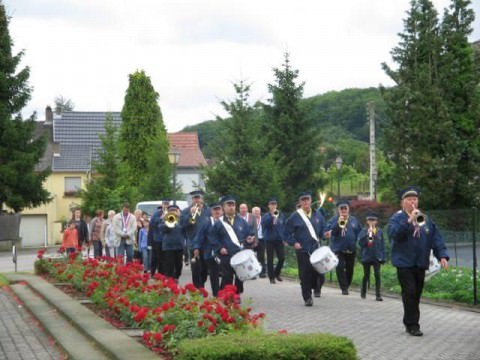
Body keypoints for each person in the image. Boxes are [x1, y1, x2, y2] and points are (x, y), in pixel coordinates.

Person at [388, 186, 449, 336]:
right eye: (409, 200)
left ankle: (409, 321)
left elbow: (435, 237)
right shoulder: (397, 218)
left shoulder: (425, 219)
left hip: (420, 262)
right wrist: (409, 220)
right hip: (404, 263)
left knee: (416, 294)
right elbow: (394, 235)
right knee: (409, 292)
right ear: (403, 203)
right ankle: (413, 325)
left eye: (414, 199)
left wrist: (442, 255)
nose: (412, 202)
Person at [286, 191, 326, 306]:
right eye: (303, 200)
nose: (305, 202)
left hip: (316, 249)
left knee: (319, 273)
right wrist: (294, 243)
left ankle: (315, 288)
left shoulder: (318, 215)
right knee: (305, 274)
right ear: (300, 202)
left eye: (307, 199)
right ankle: (307, 298)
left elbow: (322, 231)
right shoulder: (295, 216)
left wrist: (325, 234)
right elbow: (286, 233)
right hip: (303, 250)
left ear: (310, 200)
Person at [212, 195, 255, 295]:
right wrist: (220, 247)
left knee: (240, 276)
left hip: (239, 254)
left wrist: (250, 240)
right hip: (226, 254)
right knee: (227, 276)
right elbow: (213, 238)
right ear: (224, 207)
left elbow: (249, 235)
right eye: (229, 205)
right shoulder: (219, 223)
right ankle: (227, 294)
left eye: (233, 205)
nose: (231, 207)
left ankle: (236, 294)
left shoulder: (242, 222)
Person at [325, 200, 361, 295]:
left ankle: (347, 284)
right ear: (338, 209)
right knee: (340, 267)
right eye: (341, 208)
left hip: (350, 248)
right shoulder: (333, 219)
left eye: (345, 208)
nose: (344, 210)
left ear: (349, 209)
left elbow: (359, 232)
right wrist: (340, 221)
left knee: (350, 269)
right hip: (338, 248)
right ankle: (344, 287)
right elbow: (331, 232)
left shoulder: (354, 220)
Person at [180, 190, 210, 288]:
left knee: (205, 267)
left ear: (202, 199)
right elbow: (183, 224)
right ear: (192, 200)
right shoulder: (185, 211)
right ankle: (198, 287)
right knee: (196, 267)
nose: (197, 200)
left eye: (198, 198)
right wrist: (191, 214)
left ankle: (202, 282)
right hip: (193, 242)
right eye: (194, 198)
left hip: (206, 243)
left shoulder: (208, 210)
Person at [193, 202, 223, 296]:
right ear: (211, 211)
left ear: (222, 211)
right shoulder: (206, 223)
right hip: (209, 252)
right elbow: (199, 236)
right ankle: (203, 289)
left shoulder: (225, 223)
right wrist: (196, 247)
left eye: (218, 209)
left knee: (223, 274)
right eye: (215, 210)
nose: (217, 211)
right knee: (207, 272)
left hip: (223, 253)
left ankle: (218, 293)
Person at [358, 211, 385, 301]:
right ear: (367, 221)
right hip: (367, 256)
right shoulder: (363, 231)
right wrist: (367, 234)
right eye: (370, 220)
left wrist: (383, 257)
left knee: (377, 275)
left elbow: (382, 245)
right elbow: (360, 243)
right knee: (366, 275)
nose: (371, 222)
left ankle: (378, 295)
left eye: (373, 220)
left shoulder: (380, 231)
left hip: (377, 256)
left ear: (376, 221)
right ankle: (363, 292)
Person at [261, 198, 286, 284]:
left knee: (282, 258)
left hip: (279, 240)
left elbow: (283, 227)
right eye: (271, 204)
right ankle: (271, 277)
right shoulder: (265, 216)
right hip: (269, 240)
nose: (273, 206)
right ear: (268, 206)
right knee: (270, 259)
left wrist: (284, 238)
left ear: (276, 205)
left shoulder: (281, 215)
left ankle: (277, 273)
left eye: (274, 204)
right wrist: (272, 216)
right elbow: (266, 225)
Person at [159, 204, 185, 280]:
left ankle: (176, 276)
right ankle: (171, 280)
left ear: (177, 211)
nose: (173, 212)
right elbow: (161, 228)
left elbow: (188, 225)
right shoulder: (164, 219)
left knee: (179, 265)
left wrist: (180, 216)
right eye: (171, 211)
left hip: (179, 246)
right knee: (169, 266)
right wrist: (167, 221)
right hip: (168, 246)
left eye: (174, 211)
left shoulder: (181, 220)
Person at [148, 200, 169, 276]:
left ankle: (163, 273)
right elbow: (152, 222)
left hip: (166, 239)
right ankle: (153, 273)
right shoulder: (157, 213)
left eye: (167, 204)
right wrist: (161, 218)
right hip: (157, 239)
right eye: (164, 204)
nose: (166, 206)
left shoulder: (170, 212)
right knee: (156, 257)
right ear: (162, 205)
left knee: (164, 258)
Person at [251, 206, 266, 278]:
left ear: (260, 212)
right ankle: (252, 273)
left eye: (258, 211)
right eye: (255, 211)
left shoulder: (263, 219)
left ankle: (262, 272)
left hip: (261, 239)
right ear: (252, 212)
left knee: (261, 257)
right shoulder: (249, 220)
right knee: (251, 257)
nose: (256, 212)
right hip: (252, 239)